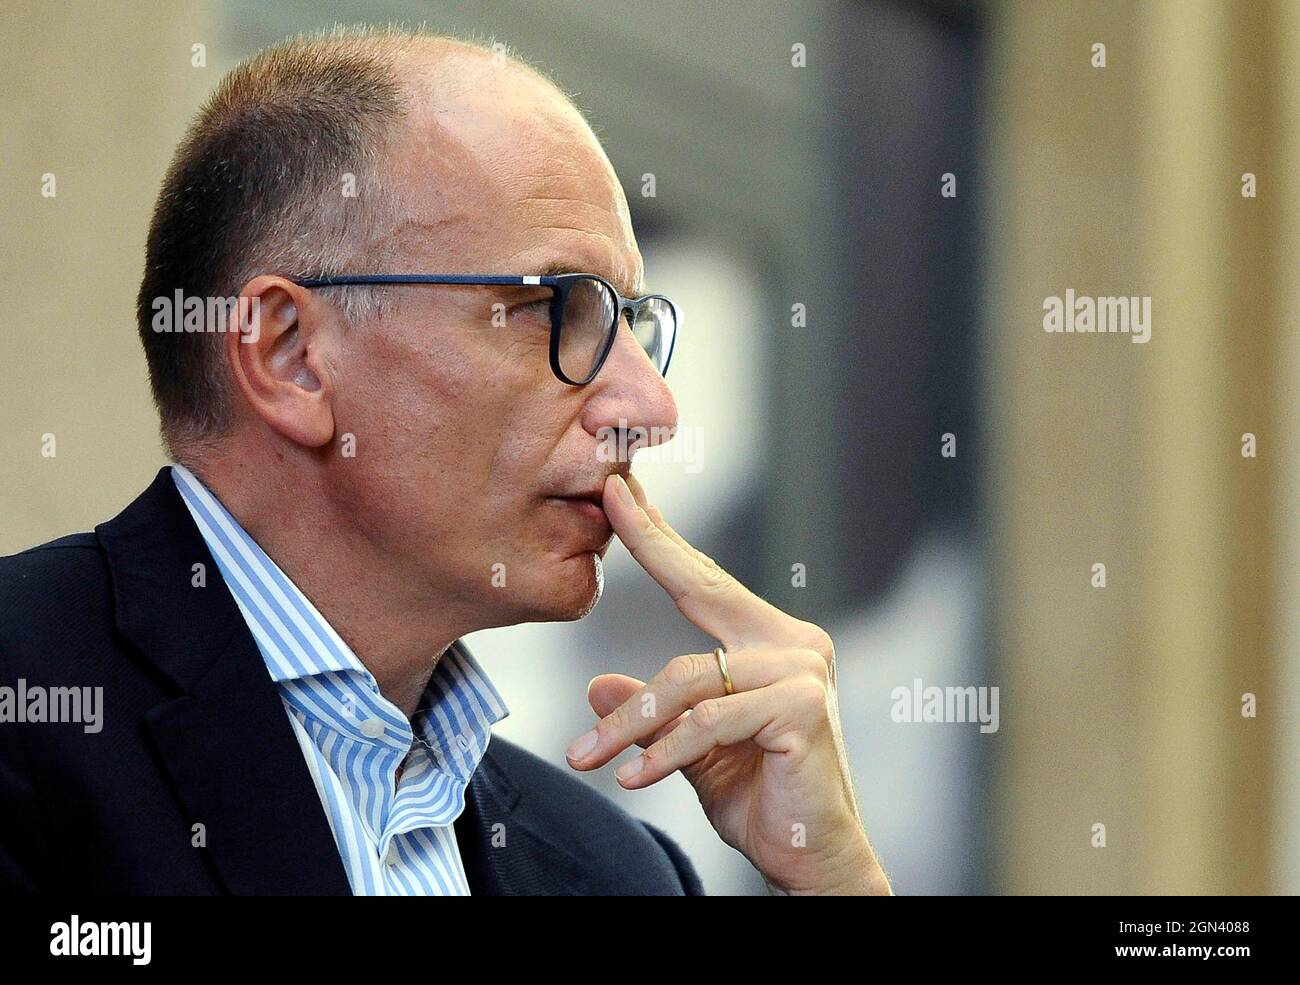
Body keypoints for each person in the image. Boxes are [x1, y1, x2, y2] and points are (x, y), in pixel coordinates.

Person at [0, 27, 891, 896]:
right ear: (291, 356)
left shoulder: (617, 869)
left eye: (631, 325)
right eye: (557, 309)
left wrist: (830, 880)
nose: (651, 410)